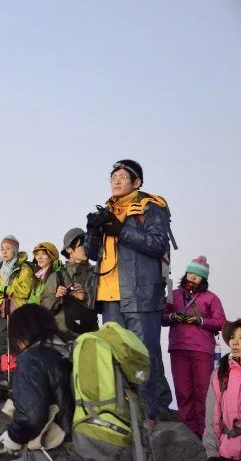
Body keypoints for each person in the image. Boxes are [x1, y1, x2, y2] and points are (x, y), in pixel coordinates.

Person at [84, 159, 171, 428]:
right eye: (113, 176)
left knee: (144, 353)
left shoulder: (150, 207)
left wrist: (122, 230)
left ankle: (150, 413)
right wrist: (93, 232)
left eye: (123, 176)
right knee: (114, 354)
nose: (117, 180)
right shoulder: (107, 211)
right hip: (109, 296)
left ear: (137, 182)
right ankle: (121, 413)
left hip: (141, 294)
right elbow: (90, 254)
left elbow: (158, 243)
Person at [0, 304, 74, 460]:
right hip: (92, 439)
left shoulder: (31, 358)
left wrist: (13, 437)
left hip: (66, 448)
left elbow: (31, 419)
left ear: (21, 333)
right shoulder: (68, 348)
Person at [162, 256, 226, 438]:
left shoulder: (211, 298)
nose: (192, 277)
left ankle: (206, 434)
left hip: (202, 350)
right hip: (178, 349)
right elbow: (162, 317)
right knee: (183, 392)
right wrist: (172, 317)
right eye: (190, 273)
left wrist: (200, 320)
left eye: (196, 276)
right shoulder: (173, 295)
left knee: (203, 393)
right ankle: (189, 435)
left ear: (203, 279)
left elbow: (221, 322)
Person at [40, 228, 96, 334]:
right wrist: (57, 297)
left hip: (89, 335)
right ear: (69, 249)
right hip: (62, 336)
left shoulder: (95, 273)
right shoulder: (56, 276)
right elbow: (43, 309)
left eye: (88, 244)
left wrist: (84, 297)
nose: (86, 248)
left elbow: (104, 305)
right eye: (82, 245)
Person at [204, 319, 241, 461]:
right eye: (232, 337)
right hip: (226, 452)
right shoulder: (220, 374)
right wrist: (212, 454)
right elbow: (212, 418)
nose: (235, 343)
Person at [0, 235, 34, 313]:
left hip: (20, 311)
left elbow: (25, 292)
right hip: (1, 311)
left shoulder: (24, 268)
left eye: (8, 248)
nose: (4, 252)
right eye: (2, 249)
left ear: (15, 250)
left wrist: (5, 289)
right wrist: (7, 292)